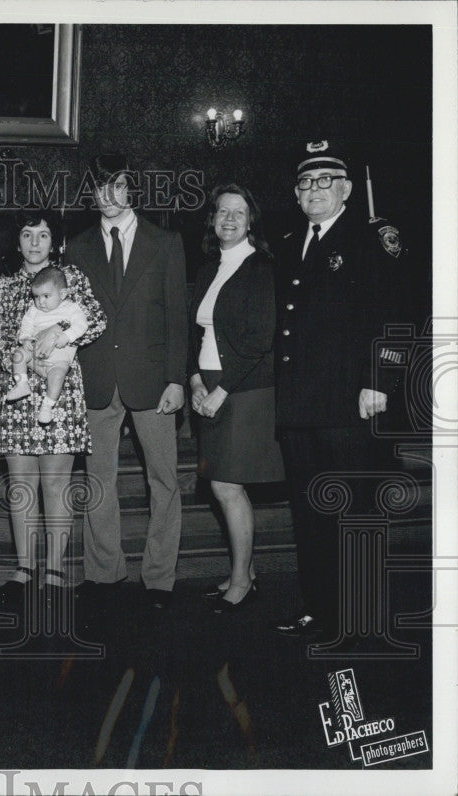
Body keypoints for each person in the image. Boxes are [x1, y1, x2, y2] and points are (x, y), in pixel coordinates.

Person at [269, 140, 403, 643]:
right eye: (305, 183)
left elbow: (390, 312)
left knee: (354, 509)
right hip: (299, 406)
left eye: (325, 181)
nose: (313, 191)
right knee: (309, 513)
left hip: (349, 401)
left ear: (345, 188)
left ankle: (361, 617)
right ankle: (319, 609)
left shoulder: (372, 238)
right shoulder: (289, 242)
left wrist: (380, 381)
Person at [67, 153, 188, 610]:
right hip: (96, 379)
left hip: (154, 381)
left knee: (164, 480)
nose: (109, 196)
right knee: (98, 480)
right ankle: (104, 572)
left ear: (130, 189)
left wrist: (176, 379)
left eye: (117, 185)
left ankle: (159, 577)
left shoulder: (165, 241)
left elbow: (177, 318)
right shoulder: (77, 246)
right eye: (100, 188)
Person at [0, 210, 106, 606]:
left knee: (56, 483)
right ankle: (24, 569)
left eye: (42, 235)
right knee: (22, 484)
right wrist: (19, 356)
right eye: (27, 234)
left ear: (54, 241)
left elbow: (96, 320)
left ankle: (55, 571)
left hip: (60, 392)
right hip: (18, 389)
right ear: (18, 240)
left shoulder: (70, 278)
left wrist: (58, 331)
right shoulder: (5, 285)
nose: (35, 242)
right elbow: (1, 335)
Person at [187, 185, 285, 613]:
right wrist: (193, 381)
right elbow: (196, 332)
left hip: (243, 389)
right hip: (208, 384)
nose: (229, 219)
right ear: (212, 219)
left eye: (239, 212)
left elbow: (261, 340)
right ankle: (243, 572)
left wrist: (221, 391)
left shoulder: (261, 266)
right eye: (222, 212)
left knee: (227, 485)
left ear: (251, 221)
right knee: (224, 485)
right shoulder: (210, 267)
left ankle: (243, 579)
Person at [3, 266, 90, 425]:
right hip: (35, 351)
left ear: (62, 294)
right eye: (36, 296)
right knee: (18, 355)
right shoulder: (34, 310)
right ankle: (22, 384)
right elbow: (26, 326)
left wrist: (67, 335)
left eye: (46, 296)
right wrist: (26, 339)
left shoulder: (71, 308)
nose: (40, 302)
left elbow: (82, 325)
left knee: (57, 376)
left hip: (60, 355)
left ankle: (47, 406)